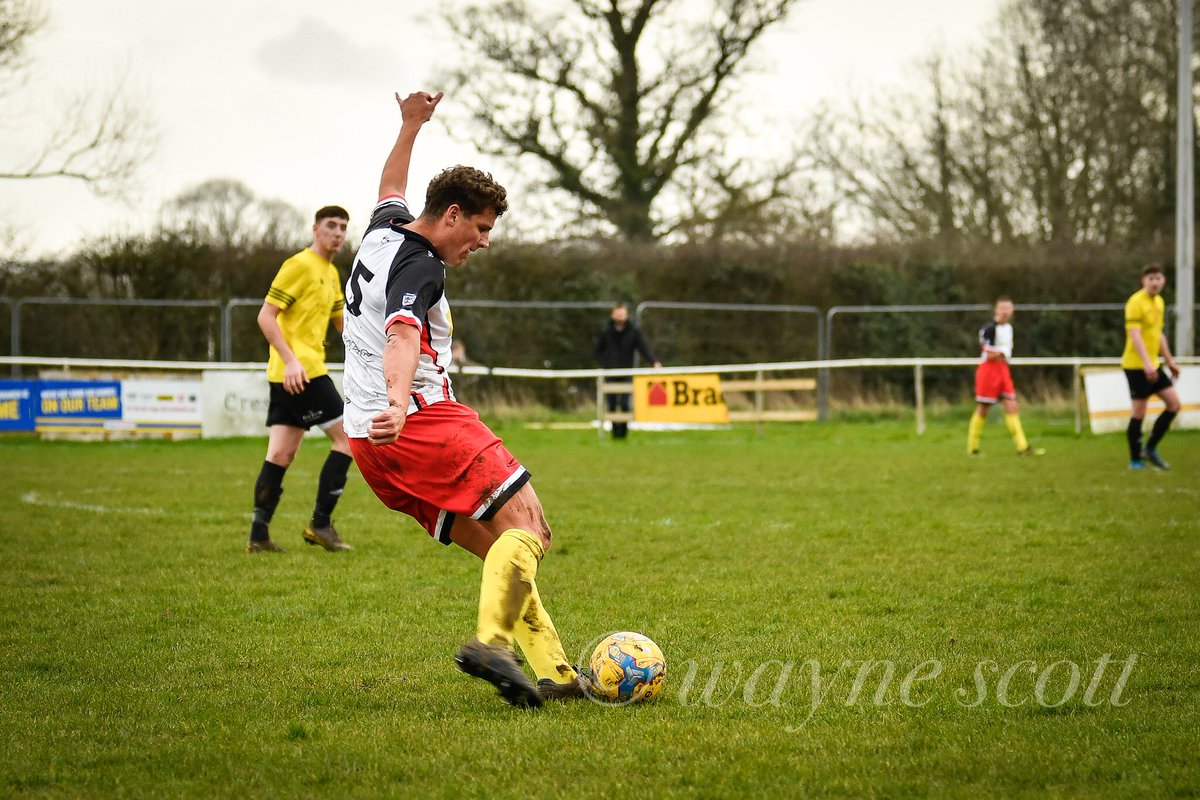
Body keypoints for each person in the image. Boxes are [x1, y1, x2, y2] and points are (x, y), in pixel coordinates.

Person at [341, 90, 586, 708]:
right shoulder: (422, 266)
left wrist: (409, 125)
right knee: (529, 525)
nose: (483, 242)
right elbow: (401, 330)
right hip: (418, 421)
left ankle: (555, 673)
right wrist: (399, 401)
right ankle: (490, 643)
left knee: (502, 549)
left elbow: (389, 183)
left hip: (372, 447)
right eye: (479, 229)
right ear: (450, 215)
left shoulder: (382, 231)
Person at [245, 206, 355, 554]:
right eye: (331, 226)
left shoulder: (331, 273)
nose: (337, 232)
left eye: (342, 227)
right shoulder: (299, 265)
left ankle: (258, 536)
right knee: (348, 439)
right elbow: (266, 315)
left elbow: (343, 325)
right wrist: (291, 360)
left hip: (293, 375)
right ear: (315, 229)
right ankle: (320, 524)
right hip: (301, 372)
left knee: (280, 453)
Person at [1122, 263, 1182, 470]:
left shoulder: (1159, 302)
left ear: (1164, 280)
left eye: (1158, 278)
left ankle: (1150, 447)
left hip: (1153, 365)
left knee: (1174, 404)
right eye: (1151, 278)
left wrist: (1169, 361)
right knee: (1139, 411)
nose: (1155, 282)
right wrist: (1147, 364)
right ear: (1143, 280)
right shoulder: (1135, 302)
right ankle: (1135, 460)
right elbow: (1135, 334)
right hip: (1136, 366)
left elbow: (1158, 336)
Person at [967, 296, 1044, 457]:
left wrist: (1001, 354)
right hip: (988, 371)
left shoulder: (1008, 328)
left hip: (1003, 369)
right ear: (996, 309)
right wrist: (999, 353)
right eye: (1002, 307)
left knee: (1011, 405)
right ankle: (972, 448)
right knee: (983, 408)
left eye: (1008, 307)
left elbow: (1003, 353)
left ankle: (1022, 447)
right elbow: (987, 352)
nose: (1005, 311)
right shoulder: (989, 328)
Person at [594, 302, 661, 438]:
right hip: (610, 373)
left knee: (625, 404)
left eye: (622, 314)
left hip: (627, 372)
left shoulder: (633, 331)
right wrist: (606, 364)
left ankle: (623, 434)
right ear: (613, 315)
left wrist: (653, 362)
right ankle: (614, 433)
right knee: (612, 404)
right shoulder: (606, 331)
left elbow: (643, 348)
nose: (619, 317)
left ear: (626, 315)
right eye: (617, 314)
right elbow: (597, 352)